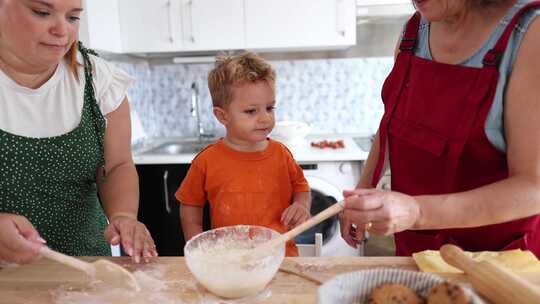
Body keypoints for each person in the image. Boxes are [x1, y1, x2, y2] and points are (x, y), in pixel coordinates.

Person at [340, 0, 540, 257]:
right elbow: (392, 124)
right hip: (418, 257)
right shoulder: (413, 31)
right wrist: (361, 192)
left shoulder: (529, 34)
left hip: (499, 266)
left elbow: (533, 187)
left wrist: (417, 212)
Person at [0, 0, 156, 264]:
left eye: (73, 17)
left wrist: (124, 216)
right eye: (42, 12)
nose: (62, 30)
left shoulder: (98, 78)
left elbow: (116, 165)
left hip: (88, 268)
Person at [176, 52, 311, 256]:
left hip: (281, 260)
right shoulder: (206, 161)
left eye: (269, 108)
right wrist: (199, 247)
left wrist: (301, 205)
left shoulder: (281, 154)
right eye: (251, 111)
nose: (265, 119)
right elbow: (190, 205)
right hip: (229, 261)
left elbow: (301, 187)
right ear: (223, 116)